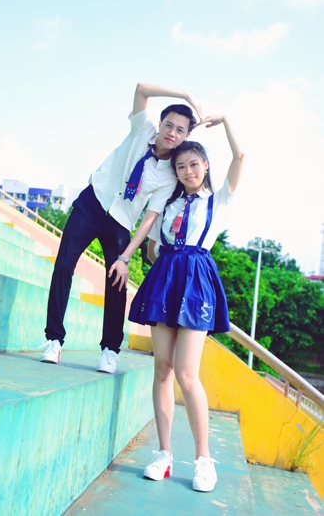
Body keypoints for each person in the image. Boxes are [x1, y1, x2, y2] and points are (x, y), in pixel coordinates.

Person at [109, 113, 244, 491]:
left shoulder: (219, 200)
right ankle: (164, 454)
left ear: (205, 166)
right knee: (163, 369)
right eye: (181, 167)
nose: (188, 172)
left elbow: (241, 157)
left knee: (186, 372)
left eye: (194, 165)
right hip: (166, 279)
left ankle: (204, 460)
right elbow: (152, 244)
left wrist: (226, 120)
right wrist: (146, 259)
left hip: (196, 282)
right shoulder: (168, 203)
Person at [39, 82, 203, 373]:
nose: (172, 133)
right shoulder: (142, 128)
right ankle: (53, 340)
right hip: (93, 202)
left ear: (186, 136)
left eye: (180, 130)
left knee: (116, 280)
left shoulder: (171, 175)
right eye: (169, 125)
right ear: (161, 123)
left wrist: (125, 257)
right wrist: (186, 95)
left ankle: (110, 350)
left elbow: (149, 218)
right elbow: (141, 89)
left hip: (121, 222)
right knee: (63, 265)